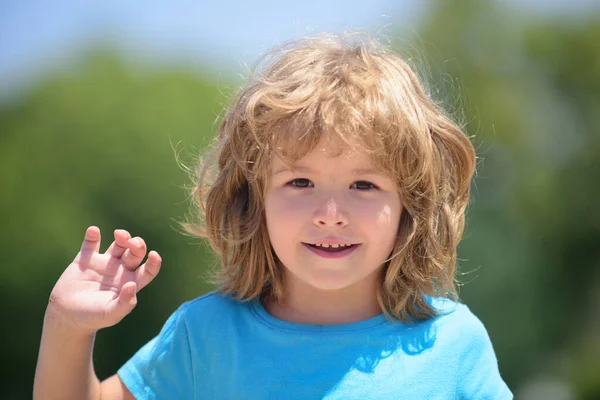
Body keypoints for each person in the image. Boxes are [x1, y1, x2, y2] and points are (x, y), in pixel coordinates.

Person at [33, 33, 513, 399]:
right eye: (299, 183)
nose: (330, 215)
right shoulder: (205, 336)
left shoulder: (454, 345)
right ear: (251, 198)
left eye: (364, 185)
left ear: (411, 205)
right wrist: (67, 325)